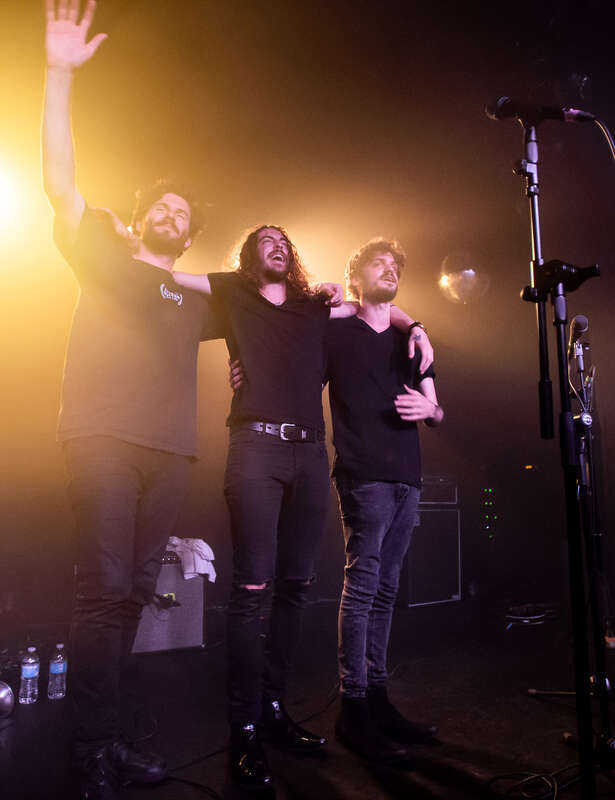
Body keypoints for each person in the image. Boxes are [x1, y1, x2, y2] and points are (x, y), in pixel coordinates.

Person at [172, 226, 433, 790]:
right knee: (251, 590)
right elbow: (171, 278)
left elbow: (375, 307)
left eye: (283, 240)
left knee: (295, 587)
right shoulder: (234, 293)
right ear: (249, 255)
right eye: (264, 239)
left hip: (310, 453)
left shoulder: (314, 307)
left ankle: (273, 710)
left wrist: (419, 327)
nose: (277, 245)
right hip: (256, 448)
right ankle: (244, 727)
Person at [43, 3, 219, 798]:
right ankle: (87, 757)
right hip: (103, 439)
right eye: (163, 206)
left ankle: (108, 741)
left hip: (171, 449)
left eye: (184, 213)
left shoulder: (197, 296)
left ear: (189, 234)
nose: (172, 215)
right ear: (142, 216)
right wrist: (59, 75)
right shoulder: (106, 255)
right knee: (103, 591)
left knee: (134, 599)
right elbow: (59, 184)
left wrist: (408, 326)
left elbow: (280, 311)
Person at [324, 238, 443, 763]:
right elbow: (290, 349)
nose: (391, 269)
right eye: (379, 262)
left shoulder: (410, 340)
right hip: (363, 474)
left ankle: (377, 697)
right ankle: (353, 708)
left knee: (387, 590)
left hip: (407, 478)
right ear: (356, 276)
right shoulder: (337, 329)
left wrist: (430, 410)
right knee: (363, 586)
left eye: (396, 264)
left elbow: (438, 410)